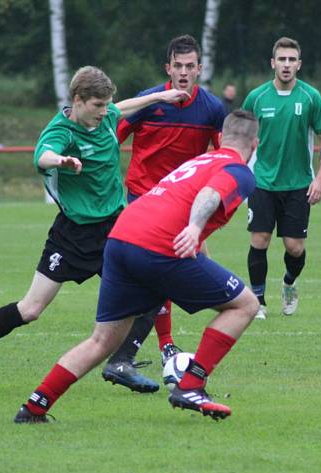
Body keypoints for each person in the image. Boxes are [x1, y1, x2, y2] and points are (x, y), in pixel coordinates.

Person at [0, 66, 188, 391]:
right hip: (72, 234)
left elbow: (124, 106)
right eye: (98, 105)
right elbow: (42, 155)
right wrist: (61, 161)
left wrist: (161, 95)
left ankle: (120, 362)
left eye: (106, 105)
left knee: (149, 294)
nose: (105, 112)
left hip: (115, 229)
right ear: (78, 100)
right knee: (30, 310)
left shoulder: (107, 115)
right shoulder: (62, 131)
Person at [13, 110, 260, 424]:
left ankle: (34, 407)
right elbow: (209, 195)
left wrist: (196, 239)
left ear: (222, 138)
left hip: (120, 238)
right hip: (158, 246)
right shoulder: (238, 169)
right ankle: (192, 385)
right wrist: (195, 228)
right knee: (245, 305)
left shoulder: (199, 161)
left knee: (102, 340)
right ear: (255, 143)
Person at [101, 34, 226, 390]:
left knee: (167, 273)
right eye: (178, 66)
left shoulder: (212, 109)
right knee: (164, 271)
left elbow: (223, 156)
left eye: (191, 67)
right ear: (167, 68)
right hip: (142, 198)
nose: (184, 73)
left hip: (182, 205)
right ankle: (150, 348)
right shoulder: (147, 102)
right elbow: (112, 137)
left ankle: (133, 351)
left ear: (199, 69)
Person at [242, 37, 321, 319]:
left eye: (292, 59)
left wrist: (320, 179)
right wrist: (235, 177)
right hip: (261, 182)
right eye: (281, 59)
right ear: (273, 63)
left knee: (294, 248)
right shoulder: (256, 98)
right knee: (260, 239)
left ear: (299, 64)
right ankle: (257, 301)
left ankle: (289, 283)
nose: (286, 65)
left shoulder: (310, 97)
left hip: (298, 184)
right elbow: (241, 137)